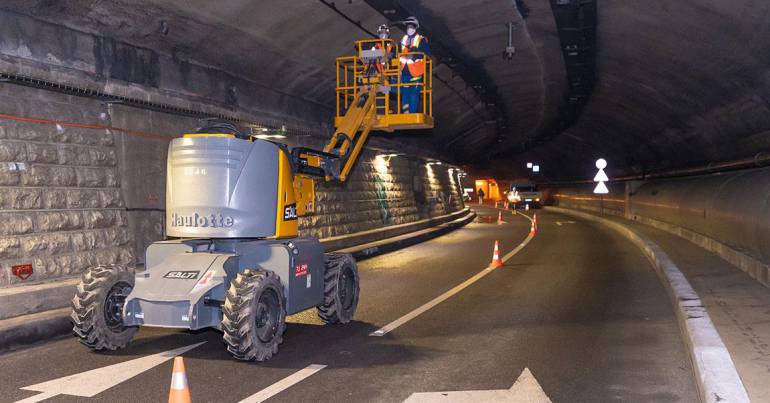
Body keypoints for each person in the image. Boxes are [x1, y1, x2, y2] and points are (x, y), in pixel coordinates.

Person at [398, 16, 431, 114]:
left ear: (416, 28)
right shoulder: (403, 40)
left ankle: (412, 113)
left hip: (416, 72)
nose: (409, 29)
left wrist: (416, 54)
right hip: (404, 72)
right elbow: (398, 54)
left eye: (412, 27)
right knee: (405, 94)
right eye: (408, 27)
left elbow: (428, 55)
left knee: (414, 94)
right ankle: (406, 113)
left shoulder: (421, 40)